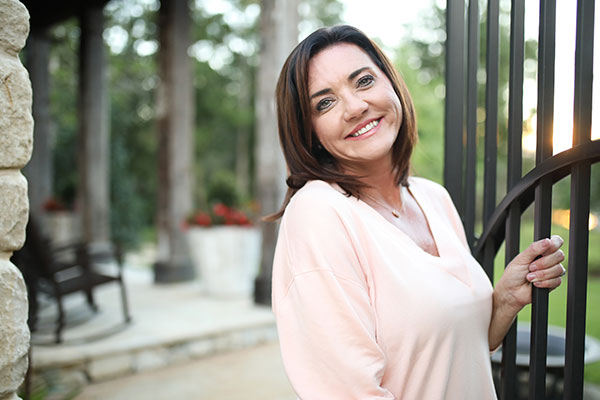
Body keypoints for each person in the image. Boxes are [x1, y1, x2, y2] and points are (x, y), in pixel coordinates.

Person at [268, 25, 566, 399]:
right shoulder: (318, 214)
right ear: (308, 131)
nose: (355, 107)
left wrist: (504, 300)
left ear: (391, 84)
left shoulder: (432, 197)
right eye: (324, 103)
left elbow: (448, 353)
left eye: (363, 81)